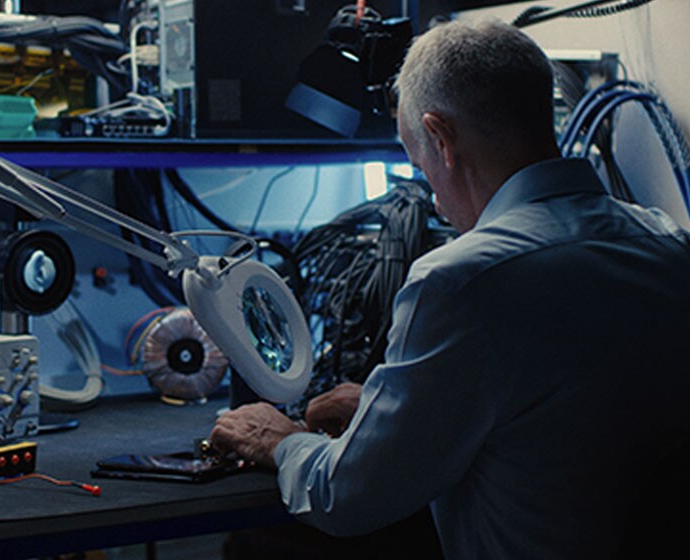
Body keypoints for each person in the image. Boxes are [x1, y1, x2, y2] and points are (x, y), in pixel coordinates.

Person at [210, 18, 690, 559]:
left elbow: (346, 497)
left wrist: (276, 440)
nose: (432, 201)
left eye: (420, 165)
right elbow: (559, 410)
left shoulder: (460, 281)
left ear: (440, 139)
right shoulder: (666, 243)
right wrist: (386, 405)